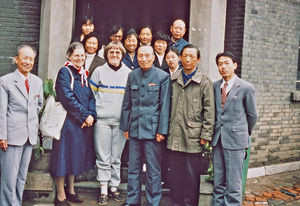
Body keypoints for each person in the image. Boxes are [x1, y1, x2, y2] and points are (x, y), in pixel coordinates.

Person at [120, 45, 171, 206]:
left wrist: (162, 130)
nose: (143, 59)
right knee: (133, 169)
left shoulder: (162, 76)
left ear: (153, 57)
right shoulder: (132, 75)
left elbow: (165, 106)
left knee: (153, 170)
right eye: (140, 56)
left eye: (147, 56)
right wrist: (125, 127)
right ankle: (132, 201)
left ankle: (153, 201)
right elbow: (127, 103)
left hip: (153, 131)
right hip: (134, 129)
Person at [167, 44, 215, 206]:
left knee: (191, 176)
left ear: (198, 60)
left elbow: (209, 112)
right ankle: (176, 203)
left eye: (192, 57)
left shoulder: (204, 82)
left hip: (193, 137)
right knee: (175, 175)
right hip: (175, 135)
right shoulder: (173, 79)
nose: (188, 59)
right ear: (180, 58)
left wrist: (206, 135)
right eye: (185, 56)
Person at [50, 42, 97, 206]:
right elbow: (67, 97)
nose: (80, 58)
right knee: (63, 158)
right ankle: (60, 196)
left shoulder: (83, 73)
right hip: (67, 123)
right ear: (69, 56)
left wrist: (91, 114)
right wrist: (84, 116)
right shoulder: (65, 72)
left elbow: (91, 96)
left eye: (82, 55)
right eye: (76, 55)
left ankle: (70, 191)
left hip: (80, 123)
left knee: (74, 157)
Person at [212, 51, 257, 206]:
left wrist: (242, 132)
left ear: (235, 65)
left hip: (236, 141)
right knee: (218, 184)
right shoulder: (215, 86)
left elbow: (252, 115)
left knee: (233, 186)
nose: (223, 67)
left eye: (226, 63)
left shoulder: (245, 87)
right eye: (219, 64)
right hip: (218, 140)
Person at [0, 45, 43, 206]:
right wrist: (2, 136)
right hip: (11, 137)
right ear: (17, 59)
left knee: (21, 177)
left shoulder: (37, 82)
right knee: (8, 179)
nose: (28, 62)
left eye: (31, 59)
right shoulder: (5, 82)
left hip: (29, 137)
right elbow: (1, 111)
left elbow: (38, 106)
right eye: (25, 58)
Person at [90, 42, 131, 205]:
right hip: (102, 121)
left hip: (120, 122)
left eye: (118, 52)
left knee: (116, 156)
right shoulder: (99, 71)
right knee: (103, 156)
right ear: (106, 54)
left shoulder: (129, 73)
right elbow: (91, 96)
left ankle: (114, 188)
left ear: (122, 54)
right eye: (111, 52)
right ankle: (103, 189)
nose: (114, 54)